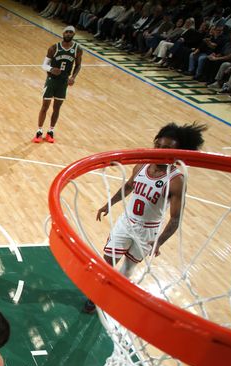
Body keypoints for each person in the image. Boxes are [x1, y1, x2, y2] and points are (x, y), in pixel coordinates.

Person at [83, 123, 207, 313]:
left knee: (130, 266)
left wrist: (159, 242)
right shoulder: (142, 165)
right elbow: (129, 186)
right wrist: (110, 203)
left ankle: (114, 292)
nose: (159, 151)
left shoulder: (176, 180)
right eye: (158, 145)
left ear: (177, 153)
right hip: (127, 222)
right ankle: (95, 296)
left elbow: (175, 218)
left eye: (167, 148)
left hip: (149, 229)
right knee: (108, 260)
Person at [32, 26, 83, 144]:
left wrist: (73, 77)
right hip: (51, 80)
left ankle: (50, 131)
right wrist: (51, 68)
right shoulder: (54, 48)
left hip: (63, 81)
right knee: (45, 106)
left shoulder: (77, 49)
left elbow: (78, 65)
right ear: (63, 33)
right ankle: (39, 131)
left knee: (57, 108)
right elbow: (44, 65)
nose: (68, 34)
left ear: (74, 34)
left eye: (71, 32)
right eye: (67, 32)